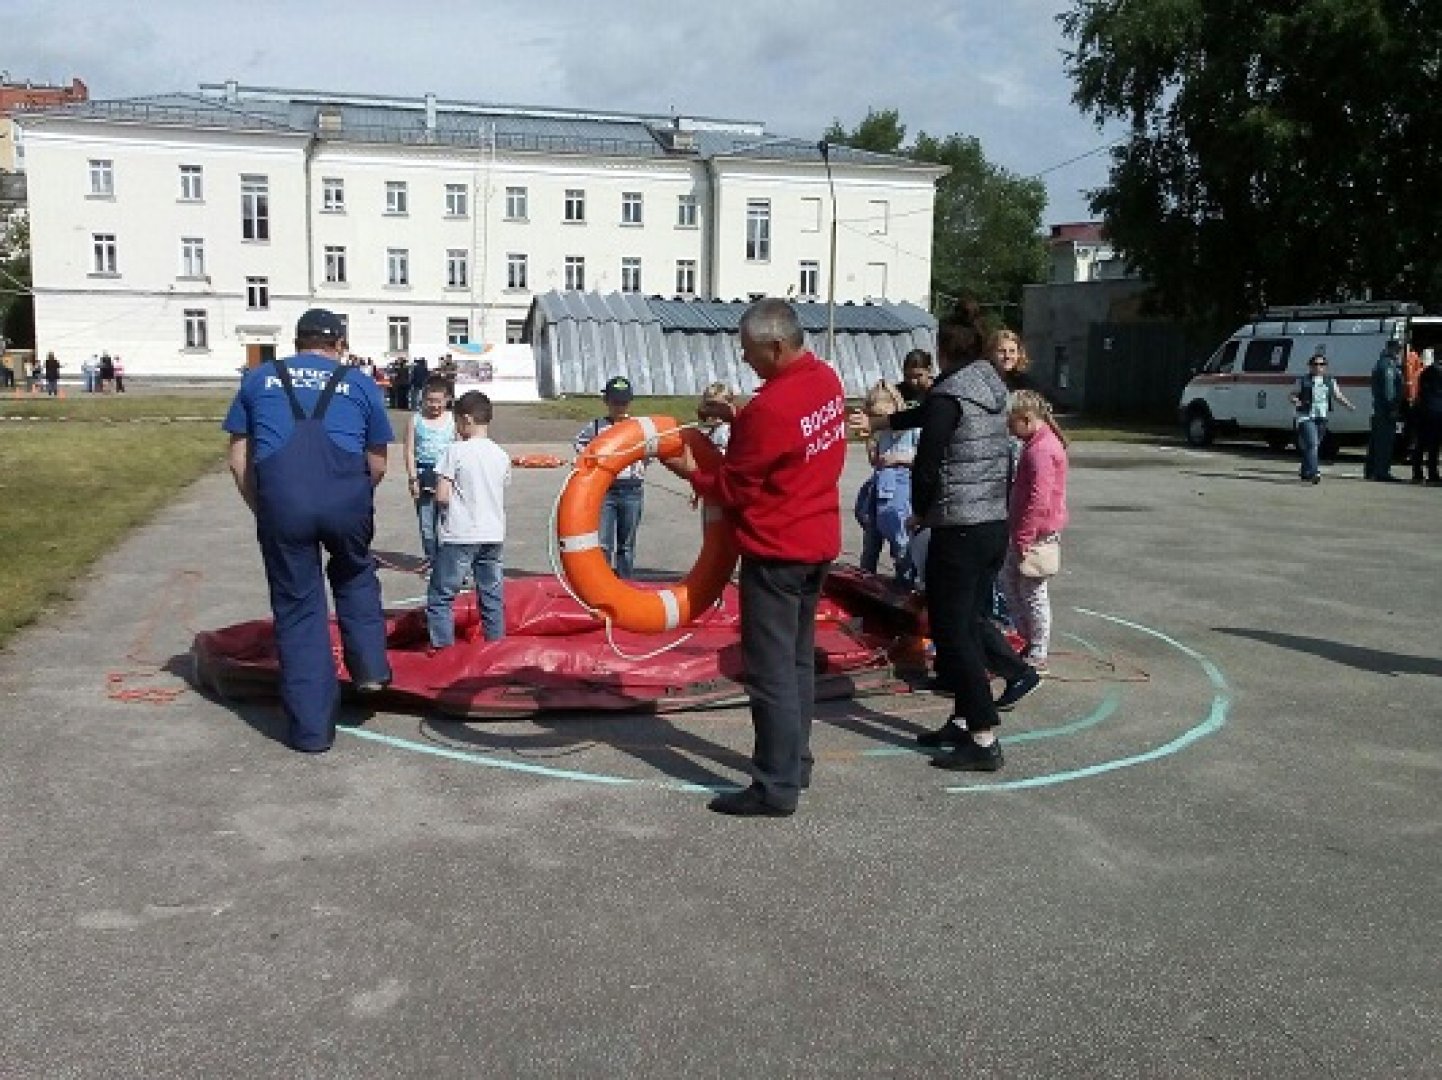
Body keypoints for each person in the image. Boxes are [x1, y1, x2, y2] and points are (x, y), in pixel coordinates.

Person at [660, 298, 846, 817]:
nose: (744, 360)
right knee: (798, 662)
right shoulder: (826, 381)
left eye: (749, 351)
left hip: (777, 550)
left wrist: (690, 474)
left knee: (770, 672)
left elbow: (734, 487)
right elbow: (786, 441)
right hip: (816, 544)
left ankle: (774, 786)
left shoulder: (771, 409)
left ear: (777, 346)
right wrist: (738, 417)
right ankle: (796, 762)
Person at [850, 302, 1036, 772]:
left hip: (959, 527)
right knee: (969, 622)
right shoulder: (990, 385)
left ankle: (983, 737)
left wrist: (919, 513)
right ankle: (962, 720)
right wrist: (884, 422)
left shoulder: (949, 393)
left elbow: (928, 462)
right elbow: (929, 417)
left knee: (954, 633)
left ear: (942, 350)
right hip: (991, 524)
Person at [222, 308, 394, 754]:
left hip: (283, 504)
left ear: (297, 343)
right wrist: (353, 497)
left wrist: (263, 506)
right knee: (354, 573)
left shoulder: (258, 379)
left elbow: (238, 459)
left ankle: (312, 732)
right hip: (346, 499)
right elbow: (378, 462)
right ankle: (371, 668)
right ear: (338, 344)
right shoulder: (359, 383)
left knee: (299, 608)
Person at [425, 391, 512, 650]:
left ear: (466, 419)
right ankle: (495, 648)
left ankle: (444, 651)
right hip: (493, 533)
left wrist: (434, 497)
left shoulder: (455, 451)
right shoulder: (501, 455)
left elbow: (442, 495)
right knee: (491, 595)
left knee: (441, 596)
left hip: (461, 533)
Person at [998, 391, 1069, 673]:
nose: (1009, 430)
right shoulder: (1035, 444)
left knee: (1033, 591)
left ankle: (1038, 648)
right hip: (1025, 531)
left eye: (1011, 423)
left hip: (1036, 534)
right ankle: (1025, 637)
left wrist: (1024, 536)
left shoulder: (1042, 450)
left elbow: (1039, 498)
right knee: (1010, 583)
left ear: (1026, 419)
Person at [573, 375, 648, 579]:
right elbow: (580, 443)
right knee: (603, 542)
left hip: (632, 490)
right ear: (606, 401)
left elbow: (650, 449)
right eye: (615, 402)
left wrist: (642, 464)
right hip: (605, 491)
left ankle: (625, 581)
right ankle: (603, 581)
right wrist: (589, 458)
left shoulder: (637, 426)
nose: (619, 407)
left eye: (623, 402)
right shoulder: (597, 426)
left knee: (626, 544)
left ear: (629, 402)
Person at [855, 380, 917, 585]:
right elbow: (875, 461)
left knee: (901, 544)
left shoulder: (912, 429)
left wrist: (900, 458)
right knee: (870, 545)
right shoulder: (881, 434)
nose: (880, 422)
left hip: (901, 494)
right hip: (880, 490)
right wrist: (869, 440)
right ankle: (865, 582)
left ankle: (906, 583)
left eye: (882, 416)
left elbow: (925, 458)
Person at [404, 376, 457, 569]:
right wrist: (413, 479)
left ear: (447, 400)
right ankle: (432, 560)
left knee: (449, 523)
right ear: (423, 399)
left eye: (439, 401)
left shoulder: (453, 420)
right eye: (430, 401)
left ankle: (451, 564)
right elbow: (409, 451)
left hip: (447, 476)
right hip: (423, 474)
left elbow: (460, 450)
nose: (435, 405)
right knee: (427, 524)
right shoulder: (415, 420)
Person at [1289, 346, 1355, 484]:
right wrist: (1295, 400)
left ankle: (1305, 471)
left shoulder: (1329, 381)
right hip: (1305, 416)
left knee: (1313, 445)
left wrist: (1349, 405)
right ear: (1310, 366)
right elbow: (1292, 395)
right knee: (1312, 443)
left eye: (1321, 364)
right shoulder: (1302, 380)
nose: (1318, 367)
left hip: (1321, 417)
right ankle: (1314, 472)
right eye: (1315, 364)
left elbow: (1337, 396)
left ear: (1325, 367)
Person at [1364, 340, 1403, 481]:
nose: (1399, 353)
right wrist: (1392, 408)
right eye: (1398, 350)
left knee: (1376, 441)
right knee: (1384, 442)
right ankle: (1382, 472)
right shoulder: (1388, 366)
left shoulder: (1380, 363)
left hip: (1379, 409)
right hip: (1385, 410)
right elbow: (1389, 389)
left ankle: (1371, 470)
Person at [1411, 352, 1442, 485]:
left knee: (1421, 444)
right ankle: (1432, 475)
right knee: (1433, 446)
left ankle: (1417, 474)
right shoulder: (1439, 372)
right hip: (1436, 413)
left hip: (1423, 411)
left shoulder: (1425, 372)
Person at [696, 381, 734, 451]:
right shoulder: (713, 429)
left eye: (717, 406)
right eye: (707, 406)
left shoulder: (724, 431)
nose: (712, 411)